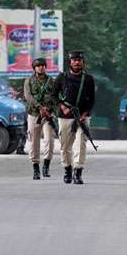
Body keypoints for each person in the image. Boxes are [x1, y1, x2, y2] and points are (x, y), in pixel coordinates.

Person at [52, 50, 96, 185]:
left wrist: (85, 114)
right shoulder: (62, 77)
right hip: (65, 117)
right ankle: (67, 169)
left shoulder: (88, 79)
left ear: (83, 62)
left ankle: (78, 171)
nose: (77, 62)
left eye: (79, 60)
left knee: (81, 144)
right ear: (70, 62)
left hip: (82, 117)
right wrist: (62, 107)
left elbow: (92, 100)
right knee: (65, 146)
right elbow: (53, 95)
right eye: (74, 60)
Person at [23, 57, 57, 180]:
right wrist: (39, 107)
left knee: (49, 140)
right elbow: (28, 96)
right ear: (34, 68)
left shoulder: (51, 81)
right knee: (33, 141)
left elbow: (55, 96)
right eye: (38, 66)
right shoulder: (29, 81)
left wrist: (50, 110)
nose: (41, 67)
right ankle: (36, 168)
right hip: (34, 114)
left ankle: (46, 165)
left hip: (47, 115)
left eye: (43, 65)